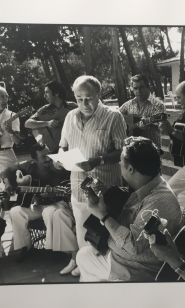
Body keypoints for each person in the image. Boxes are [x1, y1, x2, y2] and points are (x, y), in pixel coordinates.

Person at [76, 137, 182, 282]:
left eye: (121, 163)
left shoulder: (159, 200)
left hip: (136, 270)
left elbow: (133, 245)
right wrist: (108, 193)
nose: (119, 165)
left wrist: (103, 216)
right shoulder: (149, 186)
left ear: (130, 169)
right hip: (125, 259)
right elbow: (131, 210)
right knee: (85, 254)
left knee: (83, 258)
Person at [56, 75, 127, 276]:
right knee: (80, 226)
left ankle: (101, 270)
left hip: (104, 187)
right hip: (78, 183)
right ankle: (81, 262)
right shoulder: (70, 116)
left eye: (88, 98)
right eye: (79, 99)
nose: (84, 104)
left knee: (101, 230)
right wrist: (59, 157)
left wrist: (98, 160)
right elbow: (63, 144)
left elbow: (122, 151)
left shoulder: (114, 116)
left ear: (98, 94)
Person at [1, 143, 75, 265]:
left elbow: (66, 189)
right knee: (16, 211)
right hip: (38, 205)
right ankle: (26, 247)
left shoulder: (58, 168)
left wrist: (52, 194)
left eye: (49, 155)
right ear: (34, 160)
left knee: (49, 212)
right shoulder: (28, 166)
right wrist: (8, 183)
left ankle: (57, 250)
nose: (48, 159)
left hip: (57, 203)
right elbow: (7, 171)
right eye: (43, 157)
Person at [158, 80, 185, 207]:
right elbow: (177, 128)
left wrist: (171, 130)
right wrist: (167, 128)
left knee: (171, 190)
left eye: (179, 98)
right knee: (177, 195)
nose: (177, 101)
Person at [25, 80, 75, 153]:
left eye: (47, 92)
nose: (44, 95)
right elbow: (27, 123)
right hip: (54, 150)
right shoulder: (45, 109)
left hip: (73, 147)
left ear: (57, 93)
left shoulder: (73, 107)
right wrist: (47, 123)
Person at [119, 74, 166, 148]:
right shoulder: (128, 105)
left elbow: (161, 128)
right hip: (131, 149)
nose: (138, 91)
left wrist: (150, 125)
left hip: (151, 149)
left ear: (148, 87)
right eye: (135, 88)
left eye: (141, 87)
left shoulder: (158, 105)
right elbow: (116, 117)